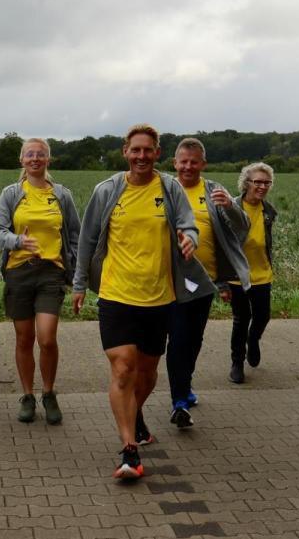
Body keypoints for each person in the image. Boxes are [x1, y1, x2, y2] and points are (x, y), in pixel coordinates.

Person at [72, 125, 210, 479]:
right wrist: (79, 284)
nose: (142, 156)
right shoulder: (107, 191)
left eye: (148, 150)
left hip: (159, 297)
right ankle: (129, 449)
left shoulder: (169, 187)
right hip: (116, 295)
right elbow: (87, 240)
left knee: (147, 373)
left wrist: (190, 238)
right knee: (123, 368)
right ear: (125, 152)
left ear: (157, 153)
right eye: (136, 150)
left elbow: (187, 223)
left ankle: (134, 414)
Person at [162, 137, 249, 432]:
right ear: (174, 163)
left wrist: (232, 207)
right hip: (171, 280)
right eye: (183, 161)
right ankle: (179, 401)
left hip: (205, 281)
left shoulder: (213, 191)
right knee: (179, 338)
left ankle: (184, 387)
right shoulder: (163, 189)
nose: (188, 166)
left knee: (195, 339)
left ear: (203, 164)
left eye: (193, 161)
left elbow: (242, 226)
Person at [0, 138, 80, 425]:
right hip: (19, 272)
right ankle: (28, 396)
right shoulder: (12, 193)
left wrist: (77, 272)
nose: (35, 159)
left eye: (40, 154)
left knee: (47, 337)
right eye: (30, 154)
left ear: (48, 160)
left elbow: (76, 236)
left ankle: (49, 393)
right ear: (22, 160)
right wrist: (18, 241)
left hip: (51, 272)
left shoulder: (61, 195)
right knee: (24, 338)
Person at [227, 163, 276, 385]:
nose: (262, 186)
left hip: (262, 272)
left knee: (263, 316)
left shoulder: (269, 210)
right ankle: (237, 363)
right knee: (241, 318)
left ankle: (253, 339)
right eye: (257, 182)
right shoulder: (232, 207)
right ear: (246, 183)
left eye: (266, 182)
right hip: (237, 275)